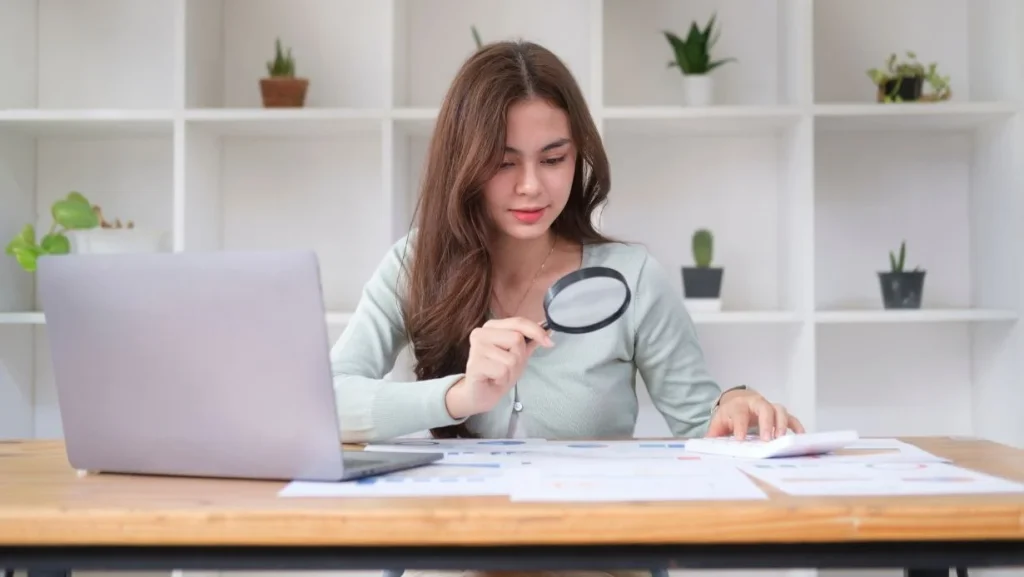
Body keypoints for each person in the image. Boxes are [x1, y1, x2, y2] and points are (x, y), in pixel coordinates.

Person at [331, 39, 804, 449]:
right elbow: (326, 401)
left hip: (595, 548)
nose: (532, 186)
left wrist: (734, 406)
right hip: (459, 544)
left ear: (578, 156)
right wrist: (459, 396)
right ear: (463, 164)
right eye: (503, 163)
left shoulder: (632, 277)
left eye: (553, 158)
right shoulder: (414, 264)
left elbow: (704, 424)